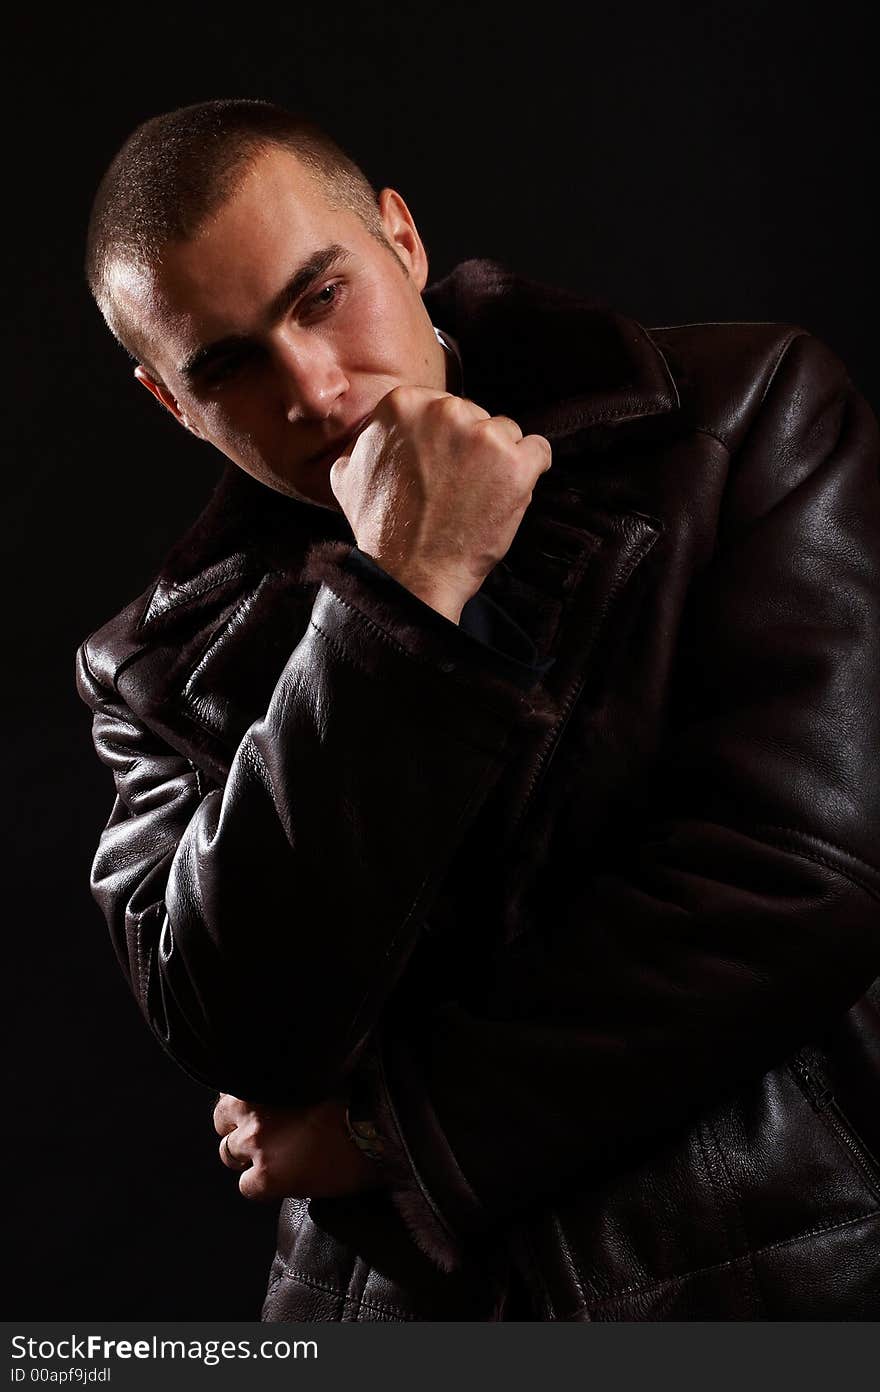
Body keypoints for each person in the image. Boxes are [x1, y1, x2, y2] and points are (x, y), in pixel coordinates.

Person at [75, 97, 880, 1322]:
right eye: (228, 365)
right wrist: (397, 598)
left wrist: (396, 1132)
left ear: (400, 239)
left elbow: (804, 876)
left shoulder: (745, 413)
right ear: (170, 403)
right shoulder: (154, 666)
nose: (316, 387)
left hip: (774, 1265)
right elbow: (239, 1023)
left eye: (318, 296)